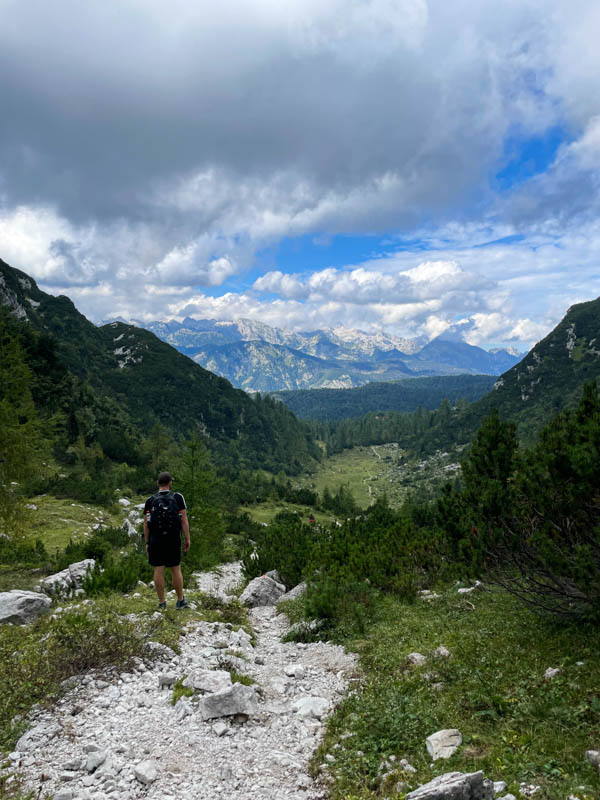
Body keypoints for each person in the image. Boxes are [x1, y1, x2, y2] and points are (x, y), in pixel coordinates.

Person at [143, 471, 191, 609]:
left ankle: (162, 602)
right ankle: (180, 600)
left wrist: (147, 542)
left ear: (158, 483)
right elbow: (184, 520)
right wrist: (187, 538)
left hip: (155, 539)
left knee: (158, 569)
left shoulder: (150, 500)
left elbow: (146, 524)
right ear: (170, 483)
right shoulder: (177, 497)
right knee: (175, 569)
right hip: (173, 538)